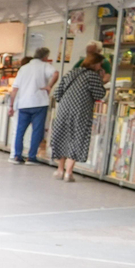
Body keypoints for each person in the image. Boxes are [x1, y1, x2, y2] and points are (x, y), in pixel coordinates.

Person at [51, 44, 107, 181]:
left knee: (62, 137)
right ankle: (68, 173)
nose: (101, 66)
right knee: (77, 138)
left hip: (64, 110)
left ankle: (59, 170)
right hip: (81, 111)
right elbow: (100, 94)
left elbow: (57, 93)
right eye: (100, 64)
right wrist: (101, 79)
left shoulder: (72, 72)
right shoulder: (92, 76)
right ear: (94, 64)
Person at [8, 47, 55, 164]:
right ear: (46, 57)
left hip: (24, 104)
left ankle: (17, 156)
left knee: (20, 131)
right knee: (36, 131)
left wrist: (11, 105)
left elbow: (14, 89)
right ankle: (31, 157)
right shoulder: (44, 66)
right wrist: (50, 86)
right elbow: (56, 73)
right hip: (40, 103)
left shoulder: (23, 68)